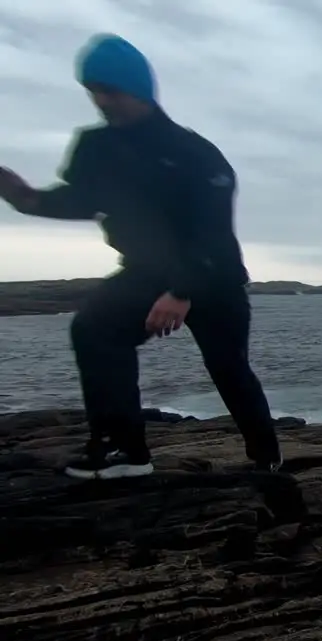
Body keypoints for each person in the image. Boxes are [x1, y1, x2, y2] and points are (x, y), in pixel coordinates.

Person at [0, 33, 282, 479]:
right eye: (92, 90)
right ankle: (125, 450)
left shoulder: (195, 153)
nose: (100, 99)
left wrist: (182, 291)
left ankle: (266, 457)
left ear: (139, 89)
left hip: (213, 277)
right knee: (94, 329)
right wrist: (26, 199)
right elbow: (82, 200)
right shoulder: (95, 147)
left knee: (228, 367)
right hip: (145, 271)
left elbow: (211, 232)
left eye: (110, 89)